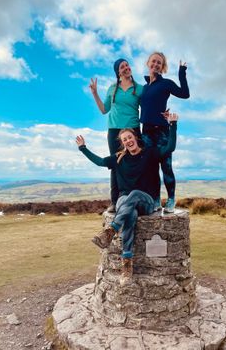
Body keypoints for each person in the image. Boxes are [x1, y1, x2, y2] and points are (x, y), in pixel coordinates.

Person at [76, 112, 178, 285]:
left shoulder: (150, 153)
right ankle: (127, 265)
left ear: (135, 138)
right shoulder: (119, 158)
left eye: (129, 137)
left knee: (135, 194)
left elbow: (169, 148)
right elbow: (100, 162)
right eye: (124, 140)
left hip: (147, 201)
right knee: (128, 213)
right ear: (122, 143)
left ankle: (111, 230)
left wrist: (173, 125)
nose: (128, 141)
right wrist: (83, 148)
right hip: (126, 202)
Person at [90, 59, 143, 212]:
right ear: (118, 72)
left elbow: (147, 106)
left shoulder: (139, 89)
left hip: (133, 130)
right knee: (116, 164)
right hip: (114, 131)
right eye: (122, 67)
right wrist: (94, 93)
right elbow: (103, 109)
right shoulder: (112, 89)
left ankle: (138, 199)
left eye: (127, 65)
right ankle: (115, 201)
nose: (126, 68)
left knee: (137, 163)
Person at [140, 52, 189, 213]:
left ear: (162, 67)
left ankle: (171, 200)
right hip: (146, 133)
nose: (156, 64)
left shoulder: (166, 83)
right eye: (153, 61)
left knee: (166, 167)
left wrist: (182, 72)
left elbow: (185, 94)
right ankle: (155, 200)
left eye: (159, 63)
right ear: (148, 63)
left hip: (161, 131)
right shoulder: (144, 88)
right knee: (152, 169)